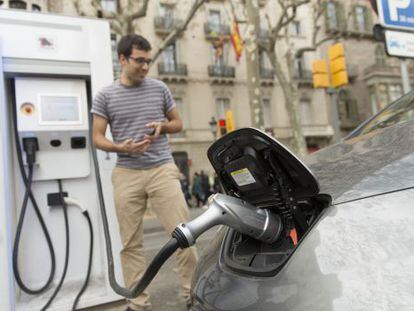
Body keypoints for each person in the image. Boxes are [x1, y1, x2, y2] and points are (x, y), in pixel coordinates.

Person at [91, 34, 198, 311]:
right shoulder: (105, 96)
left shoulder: (159, 88)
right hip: (126, 172)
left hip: (162, 168)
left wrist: (163, 127)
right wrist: (120, 146)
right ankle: (138, 304)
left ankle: (192, 296)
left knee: (185, 236)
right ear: (122, 59)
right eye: (139, 60)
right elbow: (97, 137)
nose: (145, 67)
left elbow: (178, 123)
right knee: (130, 244)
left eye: (148, 61)